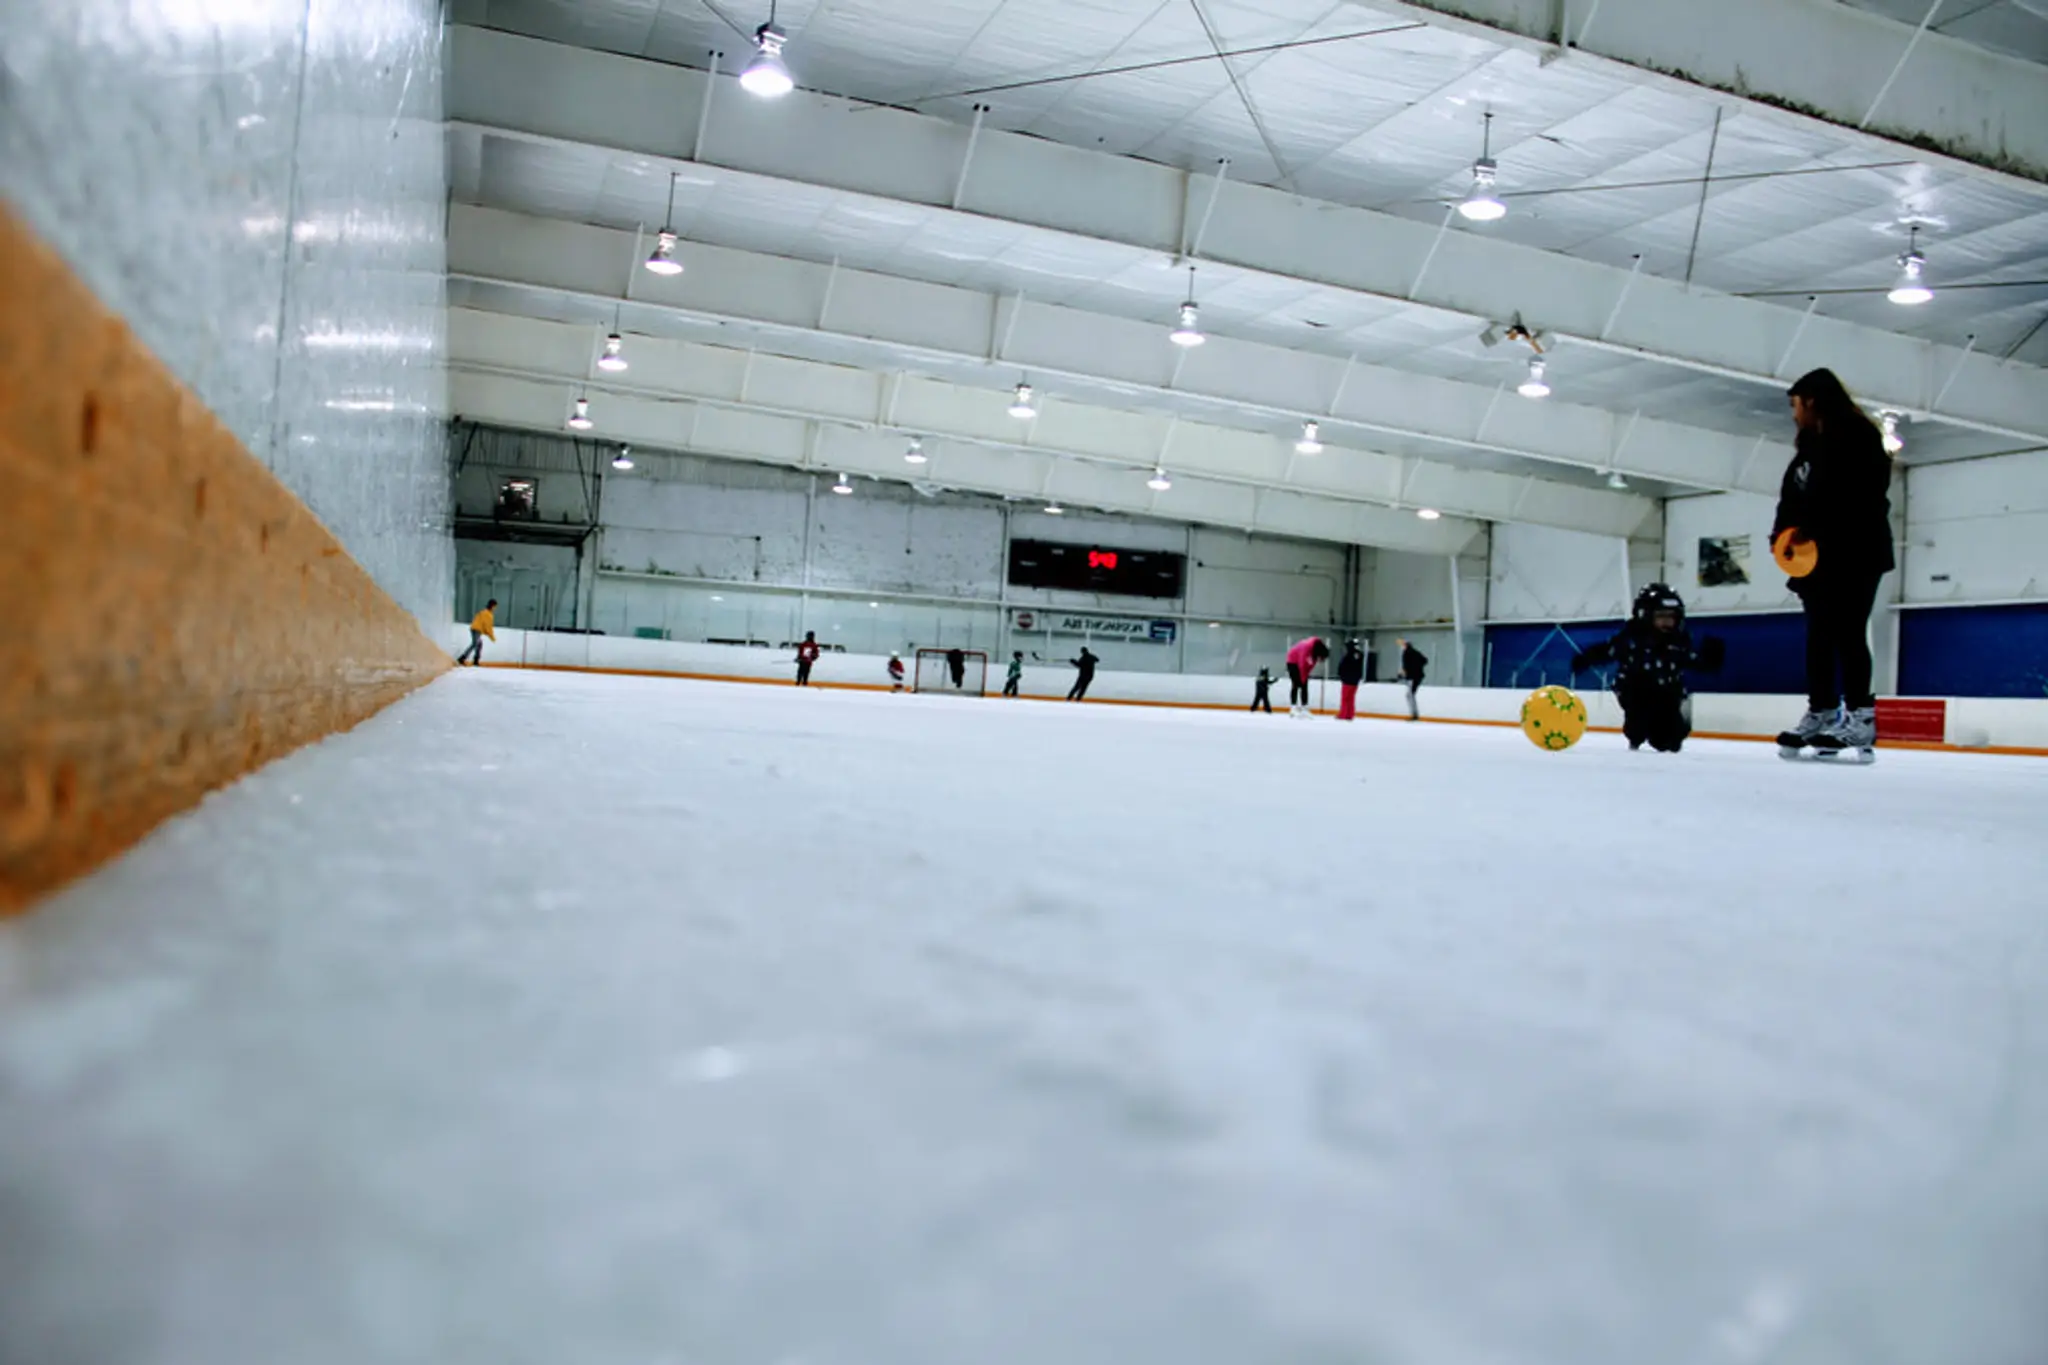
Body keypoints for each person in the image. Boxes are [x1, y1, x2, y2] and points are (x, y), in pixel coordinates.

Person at [1773, 367, 1896, 754]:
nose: (1794, 413)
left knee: (1848, 631)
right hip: (1815, 560)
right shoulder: (1809, 447)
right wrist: (1781, 536)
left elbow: (1860, 497)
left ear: (1812, 400)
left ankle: (1860, 718)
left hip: (1856, 553)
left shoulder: (1859, 437)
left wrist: (1813, 527)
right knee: (1819, 638)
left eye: (1796, 404)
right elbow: (1791, 498)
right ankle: (1822, 711)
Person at [1572, 584, 1726, 752]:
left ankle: (1666, 734)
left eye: (1671, 617)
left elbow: (1693, 660)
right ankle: (1636, 734)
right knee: (1639, 722)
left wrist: (1710, 659)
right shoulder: (1632, 639)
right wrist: (1585, 659)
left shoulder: (1679, 641)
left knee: (1670, 738)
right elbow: (1607, 650)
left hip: (1669, 692)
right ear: (1645, 615)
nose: (1667, 622)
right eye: (1661, 616)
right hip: (1636, 691)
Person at [1284, 637, 1329, 716]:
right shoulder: (1307, 648)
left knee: (1304, 685)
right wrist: (1302, 678)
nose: (1321, 661)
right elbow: (1302, 665)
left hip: (1301, 662)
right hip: (1292, 661)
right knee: (1296, 684)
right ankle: (1293, 707)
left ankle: (1304, 707)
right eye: (1322, 658)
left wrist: (1304, 678)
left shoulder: (1315, 654)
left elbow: (1309, 667)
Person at [456, 599, 497, 666]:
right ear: (492, 606)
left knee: (479, 644)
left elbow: (482, 624)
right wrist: (492, 637)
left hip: (475, 628)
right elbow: (488, 627)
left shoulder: (483, 612)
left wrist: (487, 632)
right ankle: (462, 658)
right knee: (475, 644)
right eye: (495, 607)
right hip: (477, 630)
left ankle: (476, 660)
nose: (495, 609)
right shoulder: (488, 614)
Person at [1396, 638, 1428, 720]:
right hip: (1418, 676)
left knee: (1410, 695)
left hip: (1412, 677)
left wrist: (1403, 674)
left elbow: (1406, 666)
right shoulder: (1416, 652)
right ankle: (1414, 714)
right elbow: (1425, 660)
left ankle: (1414, 714)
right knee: (1410, 695)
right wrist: (1418, 667)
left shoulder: (1406, 653)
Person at [1336, 639, 1365, 721]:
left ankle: (1343, 714)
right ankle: (1350, 714)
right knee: (1351, 698)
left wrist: (1341, 675)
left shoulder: (1348, 655)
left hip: (1347, 679)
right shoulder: (1360, 655)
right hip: (1355, 680)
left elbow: (1343, 666)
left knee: (1345, 698)